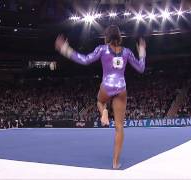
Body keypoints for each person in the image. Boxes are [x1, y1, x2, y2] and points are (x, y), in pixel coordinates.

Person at [55, 25, 146, 169]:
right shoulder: (127, 52)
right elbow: (141, 68)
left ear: (107, 37)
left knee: (99, 100)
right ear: (119, 37)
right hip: (121, 87)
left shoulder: (102, 49)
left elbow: (85, 60)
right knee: (119, 127)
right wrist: (142, 51)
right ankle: (116, 163)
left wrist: (66, 49)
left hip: (107, 85)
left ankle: (103, 110)